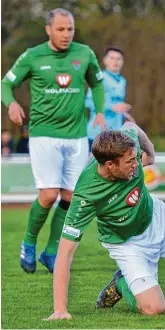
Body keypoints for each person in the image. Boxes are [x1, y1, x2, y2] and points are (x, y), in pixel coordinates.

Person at [44, 122, 165, 321]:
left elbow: (130, 125)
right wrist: (60, 309)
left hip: (158, 216)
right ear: (110, 166)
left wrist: (150, 150)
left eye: (135, 158)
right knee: (154, 308)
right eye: (130, 161)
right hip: (126, 243)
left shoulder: (127, 145)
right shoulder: (86, 195)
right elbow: (65, 252)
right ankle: (121, 283)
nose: (137, 164)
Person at [1, 8, 106, 274]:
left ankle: (50, 252)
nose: (66, 34)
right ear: (48, 30)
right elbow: (5, 85)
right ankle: (29, 242)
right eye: (60, 29)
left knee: (70, 196)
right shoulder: (33, 56)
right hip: (44, 134)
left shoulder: (84, 54)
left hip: (77, 136)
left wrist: (101, 112)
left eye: (70, 29)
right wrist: (11, 104)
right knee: (48, 195)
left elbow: (97, 83)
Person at [85, 46, 134, 151]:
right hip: (97, 135)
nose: (115, 61)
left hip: (115, 136)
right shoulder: (99, 78)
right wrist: (111, 107)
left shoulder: (122, 81)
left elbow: (116, 103)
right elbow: (88, 102)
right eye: (112, 58)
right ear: (105, 60)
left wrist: (125, 115)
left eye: (118, 59)